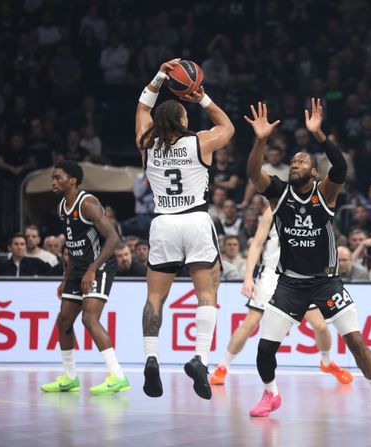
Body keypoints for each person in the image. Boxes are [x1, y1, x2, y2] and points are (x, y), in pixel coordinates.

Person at [245, 99, 371, 420]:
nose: (295, 163)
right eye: (292, 161)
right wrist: (260, 141)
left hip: (326, 282)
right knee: (264, 349)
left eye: (302, 161)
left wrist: (320, 136)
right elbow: (253, 173)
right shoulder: (278, 193)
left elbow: (341, 169)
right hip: (290, 284)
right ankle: (271, 394)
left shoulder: (325, 193)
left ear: (314, 171)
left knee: (356, 342)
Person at [135, 59, 234, 399]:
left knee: (154, 297)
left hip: (163, 222)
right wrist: (201, 97)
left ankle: (151, 358)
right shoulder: (199, 142)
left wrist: (159, 76)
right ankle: (200, 359)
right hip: (195, 220)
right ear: (181, 119)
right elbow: (227, 127)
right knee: (207, 294)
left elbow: (142, 107)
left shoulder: (146, 144)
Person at [210, 205, 352, 386]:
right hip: (271, 274)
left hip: (302, 276)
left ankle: (326, 362)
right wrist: (248, 277)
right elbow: (257, 244)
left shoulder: (315, 208)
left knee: (321, 326)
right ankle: (223, 366)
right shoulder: (273, 208)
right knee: (251, 322)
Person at [41, 161, 129, 394]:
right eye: (52, 178)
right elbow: (73, 247)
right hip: (78, 268)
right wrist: (65, 278)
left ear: (72, 180)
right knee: (64, 320)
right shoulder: (62, 207)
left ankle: (118, 376)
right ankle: (70, 377)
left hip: (100, 265)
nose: (53, 182)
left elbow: (113, 238)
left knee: (89, 318)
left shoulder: (88, 204)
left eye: (58, 177)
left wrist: (92, 269)